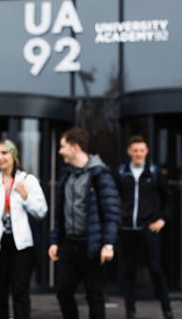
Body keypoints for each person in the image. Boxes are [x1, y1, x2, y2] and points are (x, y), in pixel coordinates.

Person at [48, 128, 119, 319]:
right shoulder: (67, 175)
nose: (60, 151)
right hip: (69, 245)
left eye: (63, 147)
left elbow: (112, 211)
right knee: (63, 293)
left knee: (95, 297)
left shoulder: (100, 174)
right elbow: (61, 214)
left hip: (92, 246)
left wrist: (108, 244)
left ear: (75, 147)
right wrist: (55, 241)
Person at [0, 139, 48, 319]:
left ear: (14, 156)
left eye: (4, 153)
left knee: (19, 291)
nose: (0, 157)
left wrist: (25, 196)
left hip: (21, 246)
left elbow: (42, 210)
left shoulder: (27, 181)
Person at [116, 135, 173, 319]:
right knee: (129, 272)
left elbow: (168, 198)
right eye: (135, 150)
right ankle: (130, 311)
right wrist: (118, 219)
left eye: (142, 150)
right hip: (127, 231)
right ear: (129, 152)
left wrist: (162, 220)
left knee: (156, 270)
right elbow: (113, 197)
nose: (139, 154)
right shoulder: (122, 172)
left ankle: (167, 309)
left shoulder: (154, 172)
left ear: (146, 151)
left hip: (148, 230)